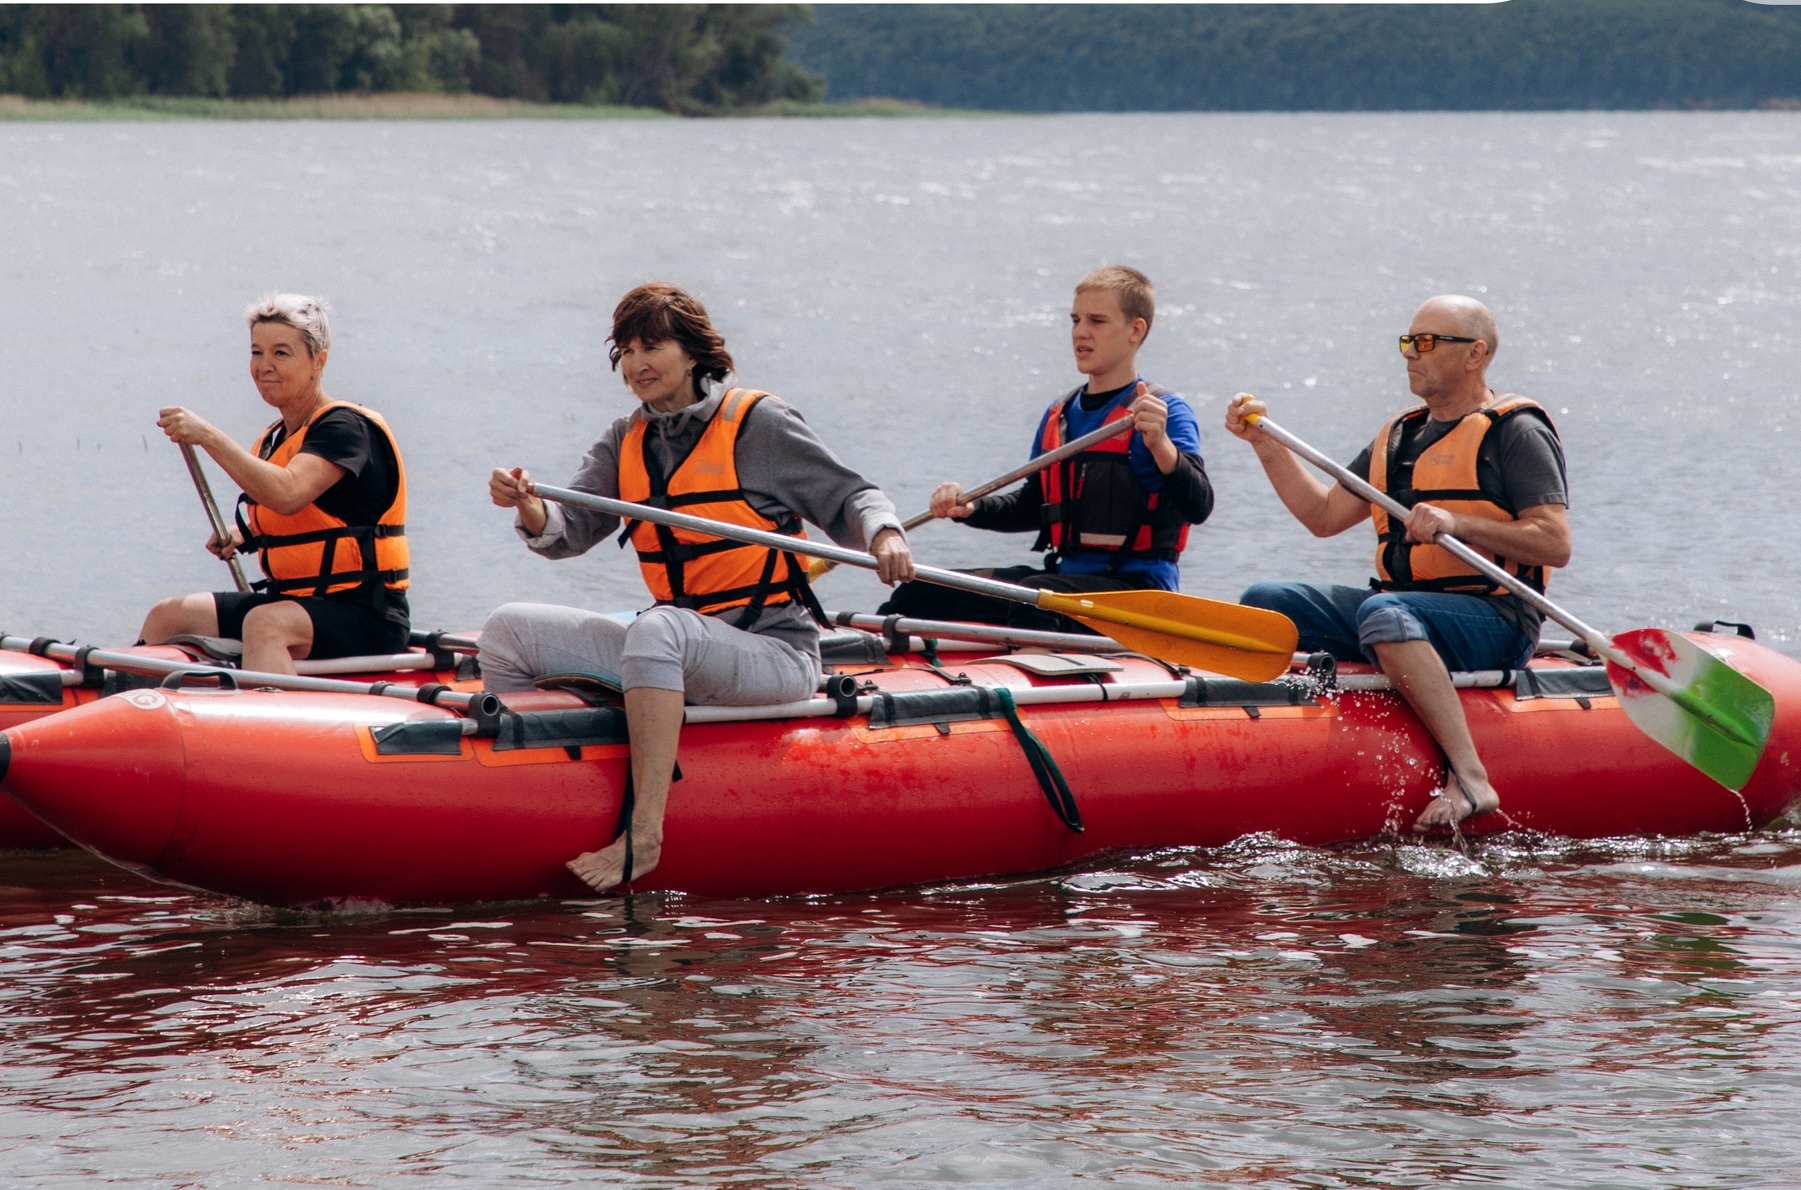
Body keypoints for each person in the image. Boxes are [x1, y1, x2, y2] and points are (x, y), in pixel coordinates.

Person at [483, 282, 914, 893]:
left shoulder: (759, 425)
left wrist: (885, 534)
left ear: (691, 352)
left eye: (651, 347)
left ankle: (644, 835)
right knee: (508, 629)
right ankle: (525, 801)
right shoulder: (624, 439)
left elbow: (851, 496)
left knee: (658, 630)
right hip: (678, 646)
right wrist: (528, 506)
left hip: (774, 652)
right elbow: (566, 531)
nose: (636, 364)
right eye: (626, 351)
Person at [1225, 294, 1571, 831]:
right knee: (1266, 602)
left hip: (1496, 618)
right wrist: (1265, 444)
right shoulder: (1400, 435)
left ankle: (1471, 777)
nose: (1411, 352)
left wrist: (1458, 523)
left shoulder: (1516, 431)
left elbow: (1554, 543)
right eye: (1409, 340)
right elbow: (1323, 516)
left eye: (1427, 342)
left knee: (1384, 614)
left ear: (1475, 354)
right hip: (1406, 609)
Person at [876, 265, 1213, 632]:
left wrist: (1161, 446)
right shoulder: (1060, 413)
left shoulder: (1165, 412)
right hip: (1064, 583)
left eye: (1097, 321)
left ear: (1136, 330)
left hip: (1137, 594)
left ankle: (1027, 659)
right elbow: (1033, 506)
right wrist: (971, 508)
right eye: (1075, 320)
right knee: (919, 591)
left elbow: (1199, 506)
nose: (1081, 332)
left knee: (1035, 599)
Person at [141, 294, 411, 675]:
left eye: (281, 353)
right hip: (293, 600)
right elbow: (311, 517)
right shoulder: (275, 438)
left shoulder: (345, 428)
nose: (264, 366)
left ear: (318, 360)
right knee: (167, 615)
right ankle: (138, 702)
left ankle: (271, 706)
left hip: (365, 611)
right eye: (257, 352)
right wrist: (247, 533)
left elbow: (287, 493)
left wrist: (208, 436)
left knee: (264, 624)